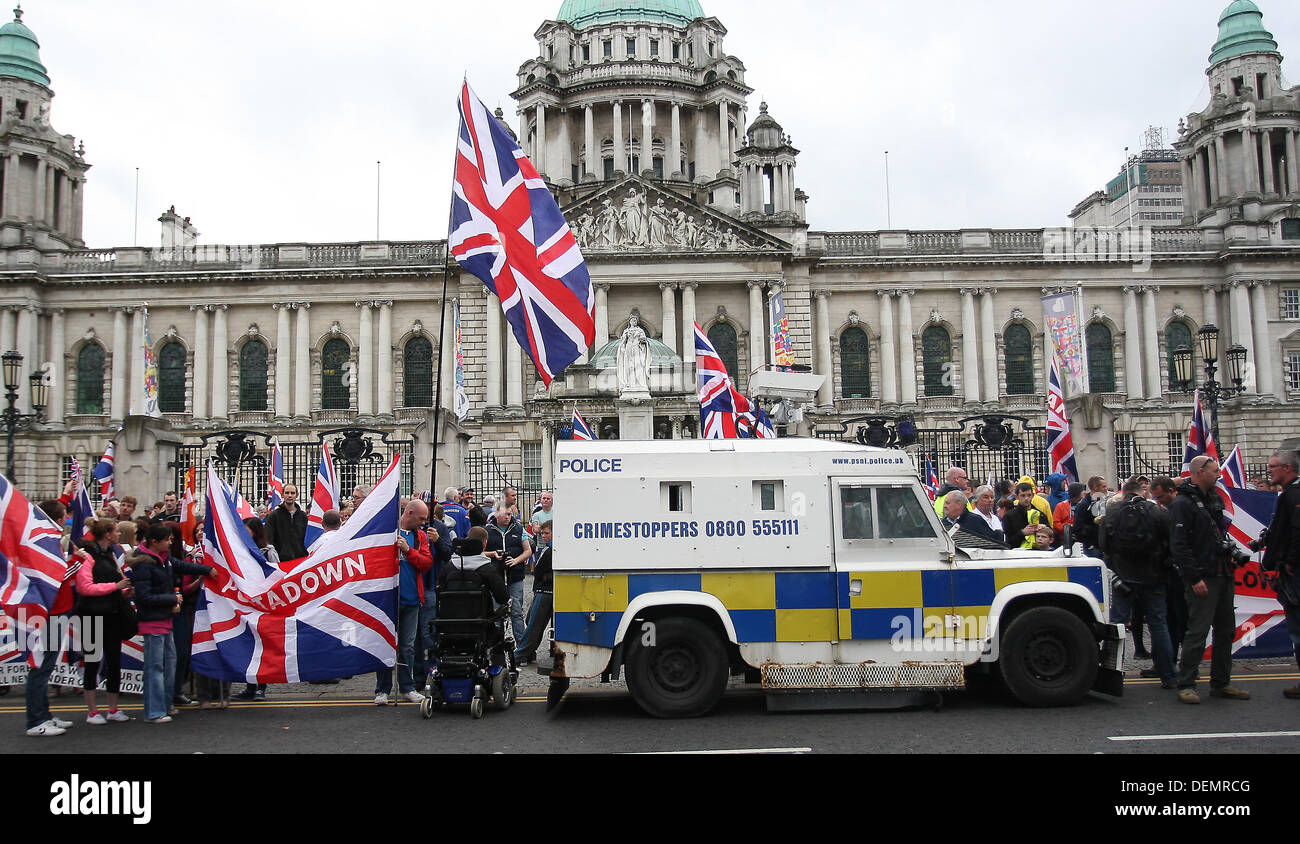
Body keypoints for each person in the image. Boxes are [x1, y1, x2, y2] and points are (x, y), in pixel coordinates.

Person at [1170, 455, 1250, 704]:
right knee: (1198, 631)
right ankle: (1186, 683)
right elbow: (1179, 545)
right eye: (1214, 470)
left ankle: (1221, 682)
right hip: (1203, 575)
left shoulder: (1213, 499)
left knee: (1226, 631)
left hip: (1222, 570)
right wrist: (1193, 578)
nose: (1218, 475)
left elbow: (1217, 535)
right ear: (1199, 472)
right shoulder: (1183, 503)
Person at [127, 523, 215, 723]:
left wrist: (208, 569)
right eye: (167, 540)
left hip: (165, 619)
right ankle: (154, 711)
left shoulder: (163, 559)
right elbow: (144, 597)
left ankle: (166, 704)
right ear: (154, 542)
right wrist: (172, 599)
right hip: (152, 622)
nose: (170, 542)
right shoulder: (144, 564)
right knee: (155, 667)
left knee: (169, 665)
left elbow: (183, 565)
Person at [1100, 476, 1176, 689]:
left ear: (1124, 493)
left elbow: (1104, 544)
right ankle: (1168, 675)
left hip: (1123, 577)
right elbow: (1171, 543)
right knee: (1158, 625)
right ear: (1144, 492)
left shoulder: (1113, 513)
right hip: (1153, 576)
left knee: (1117, 626)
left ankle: (1110, 674)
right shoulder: (1158, 513)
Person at [76, 519, 136, 724]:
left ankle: (113, 708)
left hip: (112, 614)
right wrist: (115, 586)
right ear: (108, 535)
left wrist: (125, 591)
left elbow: (115, 586)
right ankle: (92, 711)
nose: (119, 534)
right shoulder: (88, 556)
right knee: (92, 663)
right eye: (116, 531)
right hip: (91, 616)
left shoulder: (110, 555)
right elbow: (85, 588)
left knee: (114, 662)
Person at [375, 500, 434, 706]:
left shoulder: (420, 536)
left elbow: (426, 563)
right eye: (421, 518)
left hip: (411, 598)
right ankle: (382, 689)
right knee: (385, 644)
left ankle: (407, 687)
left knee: (407, 646)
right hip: (388, 598)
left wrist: (408, 550)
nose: (424, 522)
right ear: (409, 513)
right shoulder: (387, 532)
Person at [1259, 451, 1300, 699]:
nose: (1269, 471)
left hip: (1294, 571)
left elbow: (1296, 530)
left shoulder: (1293, 495)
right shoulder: (1289, 494)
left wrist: (1289, 561)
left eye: (1273, 467)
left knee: (1297, 627)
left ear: (1287, 468)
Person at [234, 517, 278, 701]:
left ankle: (261, 686)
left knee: (262, 645)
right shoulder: (239, 551)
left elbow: (277, 574)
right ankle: (250, 686)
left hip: (262, 603)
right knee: (249, 645)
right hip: (245, 603)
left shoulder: (268, 551)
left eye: (247, 530)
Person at [486, 506, 532, 645]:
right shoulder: (487, 530)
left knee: (517, 612)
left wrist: (516, 560)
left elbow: (528, 550)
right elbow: (480, 551)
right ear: (496, 515)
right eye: (504, 514)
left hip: (515, 576)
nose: (507, 517)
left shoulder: (518, 529)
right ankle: (496, 646)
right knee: (496, 613)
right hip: (495, 577)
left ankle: (522, 648)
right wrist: (492, 554)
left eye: (509, 514)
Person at [515, 523, 554, 665]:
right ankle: (529, 652)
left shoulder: (551, 550)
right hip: (542, 589)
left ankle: (520, 654)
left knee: (534, 623)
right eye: (542, 533)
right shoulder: (547, 549)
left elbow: (539, 571)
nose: (543, 536)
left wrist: (544, 577)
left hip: (545, 591)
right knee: (532, 620)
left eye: (547, 533)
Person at [265, 483, 307, 563]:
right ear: (282, 495)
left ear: (297, 495)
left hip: (300, 561)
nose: (290, 495)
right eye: (287, 493)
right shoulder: (273, 516)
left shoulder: (303, 516)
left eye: (292, 493)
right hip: (281, 561)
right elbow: (269, 539)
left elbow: (306, 539)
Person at [1003, 482, 1045, 549]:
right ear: (1016, 497)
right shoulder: (1009, 516)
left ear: (1033, 496)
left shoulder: (1040, 514)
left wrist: (1044, 528)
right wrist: (1022, 533)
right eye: (1023, 495)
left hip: (1038, 552)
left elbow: (1052, 535)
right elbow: (1008, 541)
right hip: (1017, 553)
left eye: (1029, 495)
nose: (1026, 498)